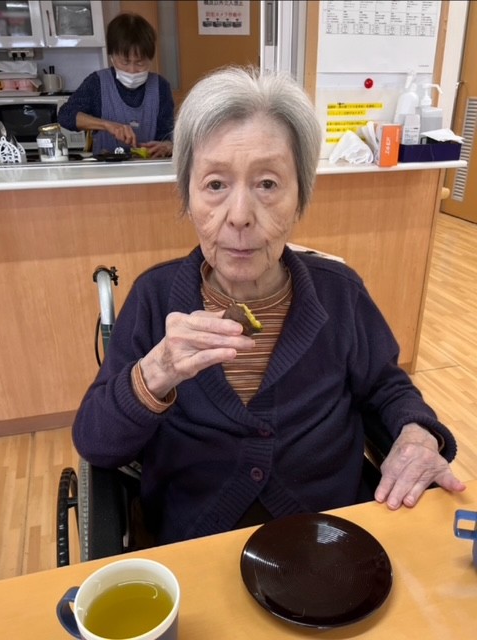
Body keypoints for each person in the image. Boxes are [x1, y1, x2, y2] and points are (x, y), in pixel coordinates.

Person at [72, 66, 465, 546]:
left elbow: (387, 388)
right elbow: (96, 443)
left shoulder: (340, 293)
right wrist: (156, 374)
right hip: (196, 547)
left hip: (331, 544)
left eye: (267, 184)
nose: (239, 216)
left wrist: (417, 433)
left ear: (300, 198)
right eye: (215, 184)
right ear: (187, 197)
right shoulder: (155, 298)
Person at [58, 12, 174, 158]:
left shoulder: (160, 87)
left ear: (150, 59)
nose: (132, 70)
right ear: (112, 56)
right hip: (106, 168)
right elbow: (66, 116)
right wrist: (107, 125)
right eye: (125, 62)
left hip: (149, 167)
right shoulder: (97, 83)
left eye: (140, 63)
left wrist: (168, 146)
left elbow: (167, 134)